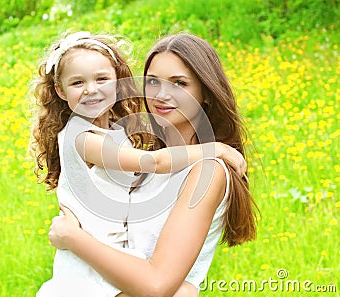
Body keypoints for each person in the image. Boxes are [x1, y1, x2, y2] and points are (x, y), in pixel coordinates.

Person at [30, 31, 247, 296]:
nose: (162, 95)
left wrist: (72, 238)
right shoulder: (145, 158)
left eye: (179, 83)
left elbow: (156, 286)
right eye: (153, 81)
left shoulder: (207, 169)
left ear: (206, 93)